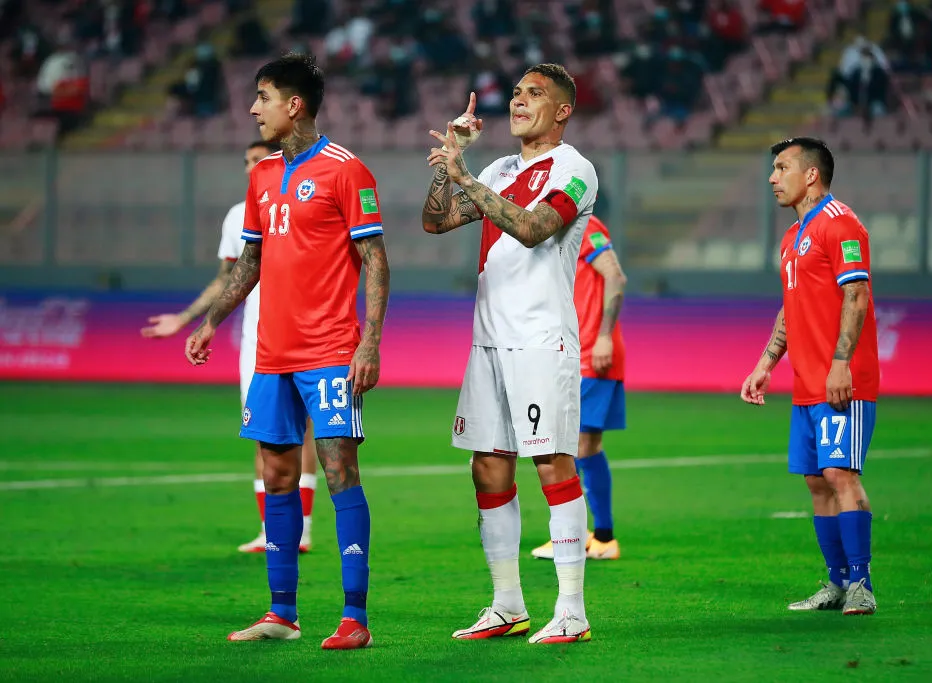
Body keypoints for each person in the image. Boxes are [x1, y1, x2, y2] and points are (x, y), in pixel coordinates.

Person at [185, 53, 390, 649]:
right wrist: (212, 321)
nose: (253, 108)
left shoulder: (347, 171)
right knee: (277, 474)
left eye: (263, 96)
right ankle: (281, 613)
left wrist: (368, 344)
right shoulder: (261, 176)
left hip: (329, 349)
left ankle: (355, 619)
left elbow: (374, 259)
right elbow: (249, 262)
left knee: (338, 470)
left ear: (293, 104)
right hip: (272, 353)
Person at [422, 63, 599, 644]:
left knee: (551, 463)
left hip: (541, 339)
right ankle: (508, 605)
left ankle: (571, 610)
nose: (519, 101)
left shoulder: (575, 171)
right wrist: (450, 162)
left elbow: (532, 228)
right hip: (488, 339)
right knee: (488, 465)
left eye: (535, 94)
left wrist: (465, 177)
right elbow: (436, 221)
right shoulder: (499, 168)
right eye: (517, 93)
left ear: (563, 111)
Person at [141, 140, 318, 556]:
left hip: (310, 334)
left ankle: (304, 529)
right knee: (265, 433)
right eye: (246, 162)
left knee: (306, 431)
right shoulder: (239, 215)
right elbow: (227, 279)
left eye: (258, 160)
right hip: (257, 339)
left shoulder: (309, 199)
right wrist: (187, 320)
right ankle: (273, 531)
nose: (249, 168)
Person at [740, 137, 879, 616]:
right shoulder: (792, 237)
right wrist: (766, 363)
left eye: (781, 167)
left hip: (844, 380)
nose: (773, 178)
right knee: (818, 483)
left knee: (842, 474)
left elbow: (856, 294)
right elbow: (790, 307)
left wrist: (841, 363)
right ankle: (836, 584)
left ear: (812, 174)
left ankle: (861, 584)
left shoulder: (841, 224)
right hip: (806, 383)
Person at [531, 215, 627, 561]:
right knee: (572, 445)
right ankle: (584, 535)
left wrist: (603, 337)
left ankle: (599, 536)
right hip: (567, 352)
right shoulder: (552, 231)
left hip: (591, 353)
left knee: (580, 445)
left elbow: (615, 276)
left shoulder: (589, 227)